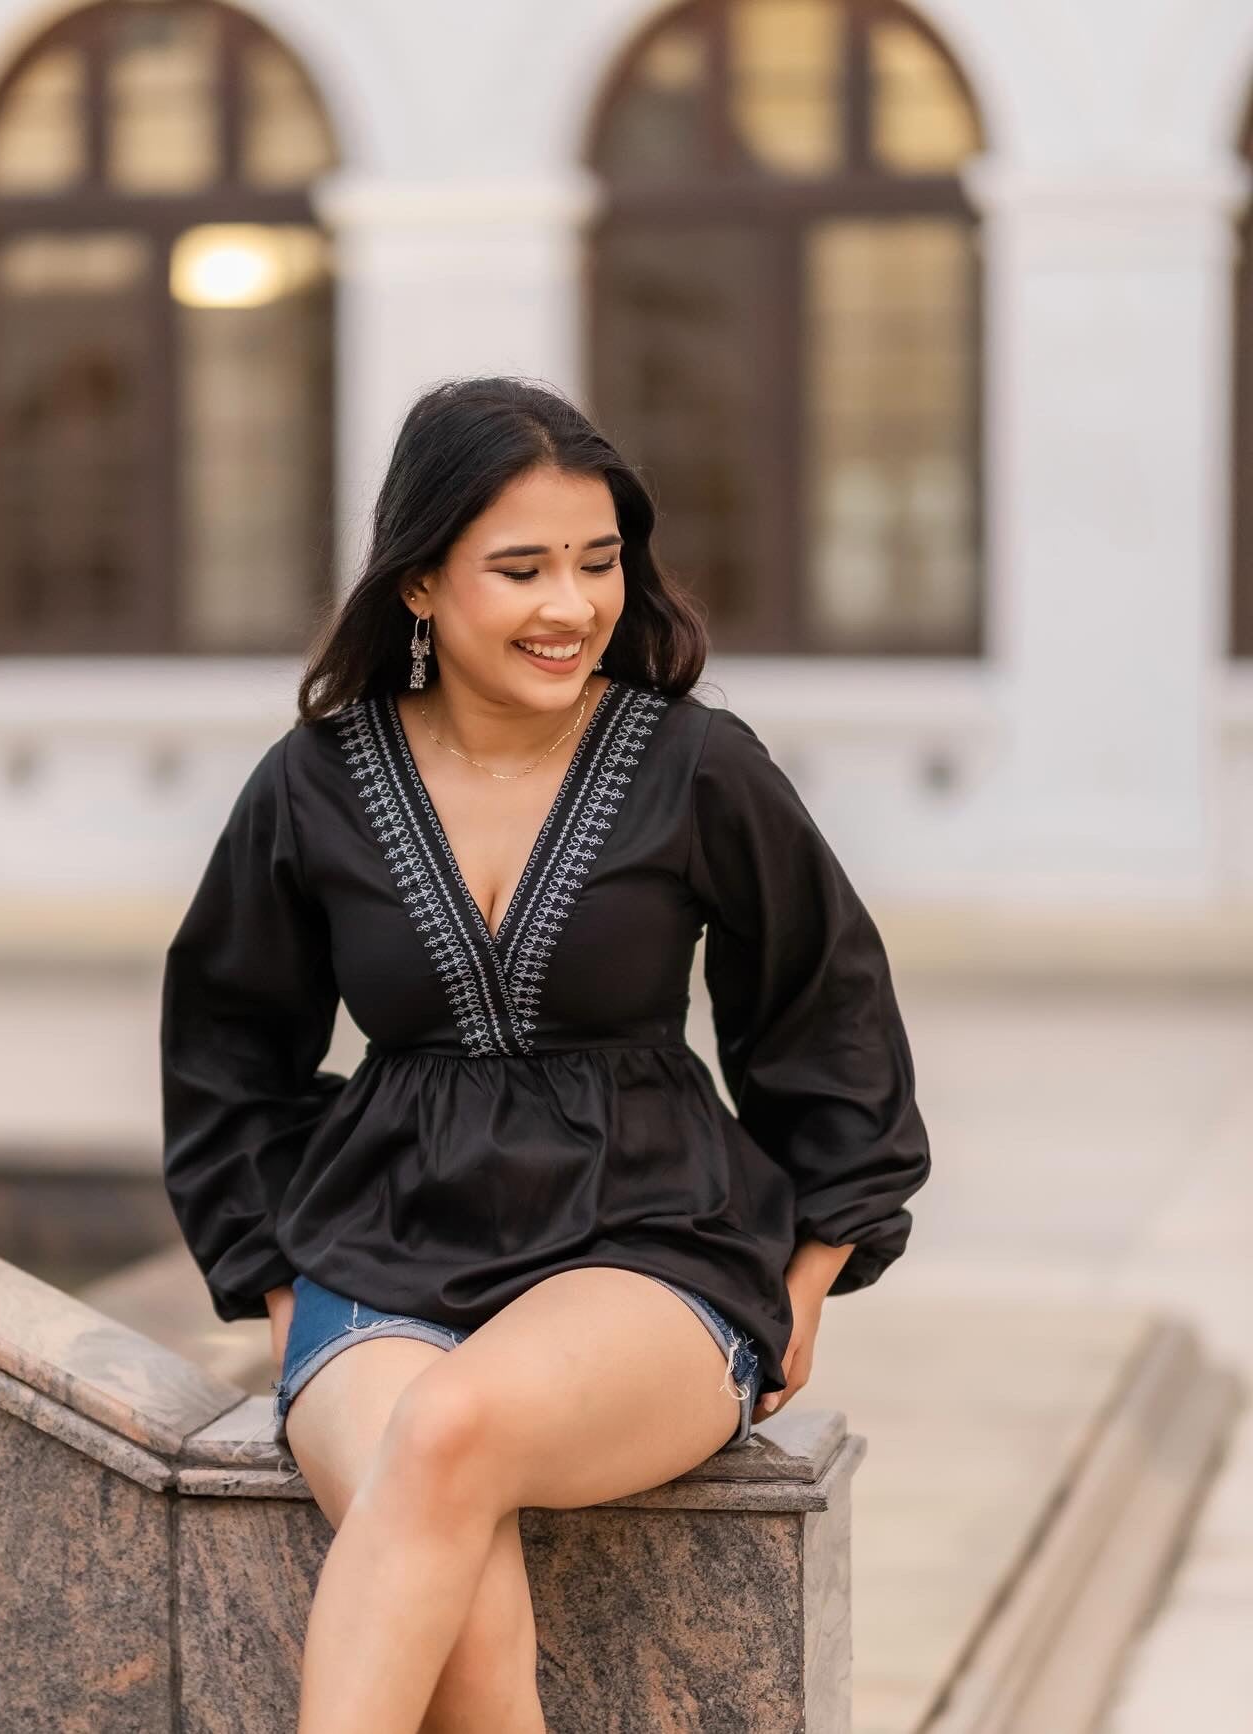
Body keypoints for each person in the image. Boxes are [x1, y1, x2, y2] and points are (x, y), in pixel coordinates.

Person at [160, 375, 931, 1732]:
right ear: (418, 582)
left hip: (652, 1243)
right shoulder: (315, 779)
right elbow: (227, 1039)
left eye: (599, 562)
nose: (572, 605)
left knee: (449, 1431)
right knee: (474, 1613)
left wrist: (813, 1269)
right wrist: (277, 1281)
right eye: (521, 568)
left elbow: (827, 1006)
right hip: (374, 1253)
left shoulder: (698, 763)